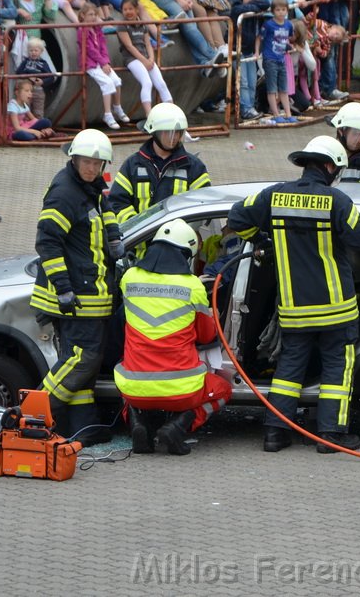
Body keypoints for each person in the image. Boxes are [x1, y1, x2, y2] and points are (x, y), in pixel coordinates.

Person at [227, 135, 360, 453]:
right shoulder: (338, 201)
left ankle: (276, 433)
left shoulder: (274, 196)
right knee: (337, 368)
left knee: (289, 368)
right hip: (336, 308)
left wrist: (263, 241)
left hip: (295, 308)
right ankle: (330, 435)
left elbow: (237, 218)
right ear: (330, 166)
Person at [31, 129, 121, 446]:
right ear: (74, 158)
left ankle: (84, 425)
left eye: (98, 163)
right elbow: (47, 242)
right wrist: (64, 288)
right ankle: (30, 416)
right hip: (76, 297)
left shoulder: (90, 188)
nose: (92, 168)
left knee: (83, 363)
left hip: (89, 296)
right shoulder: (64, 193)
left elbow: (103, 211)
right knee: (81, 360)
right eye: (86, 161)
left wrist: (115, 237)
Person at [115, 218, 232, 455]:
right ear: (185, 254)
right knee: (223, 389)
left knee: (126, 375)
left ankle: (137, 423)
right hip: (183, 390)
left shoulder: (129, 279)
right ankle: (178, 426)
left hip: (135, 389)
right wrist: (211, 315)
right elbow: (206, 334)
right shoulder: (192, 286)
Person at [109, 102, 211, 233]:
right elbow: (117, 203)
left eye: (178, 133)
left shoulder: (194, 167)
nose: (173, 138)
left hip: (176, 245)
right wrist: (136, 225)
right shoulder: (133, 165)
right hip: (139, 248)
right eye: (168, 133)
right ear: (154, 132)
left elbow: (203, 206)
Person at [78, 2, 129, 129]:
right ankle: (107, 114)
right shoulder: (82, 30)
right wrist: (102, 62)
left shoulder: (97, 30)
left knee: (117, 80)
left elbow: (103, 47)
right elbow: (90, 50)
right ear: (82, 16)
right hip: (90, 64)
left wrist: (106, 62)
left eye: (95, 14)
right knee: (107, 83)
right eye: (90, 14)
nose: (93, 17)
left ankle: (117, 107)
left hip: (101, 62)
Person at [117, 0, 172, 116]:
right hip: (132, 59)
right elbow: (130, 47)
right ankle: (149, 114)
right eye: (125, 9)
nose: (128, 12)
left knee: (161, 83)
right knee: (147, 82)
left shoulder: (143, 25)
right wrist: (144, 61)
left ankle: (172, 112)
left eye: (130, 9)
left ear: (137, 10)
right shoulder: (122, 26)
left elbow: (148, 44)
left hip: (146, 58)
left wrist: (151, 59)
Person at [258, 0, 296, 123]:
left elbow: (289, 38)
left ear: (287, 11)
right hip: (270, 59)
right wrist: (257, 52)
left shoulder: (288, 24)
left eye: (283, 10)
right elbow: (259, 38)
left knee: (284, 89)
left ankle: (288, 113)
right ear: (273, 11)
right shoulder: (269, 25)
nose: (281, 12)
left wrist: (290, 47)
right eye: (278, 10)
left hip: (282, 59)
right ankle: (275, 113)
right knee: (272, 89)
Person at [16, 37, 55, 118]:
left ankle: (38, 125)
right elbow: (18, 72)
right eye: (31, 50)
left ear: (41, 51)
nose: (33, 53)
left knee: (38, 109)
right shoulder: (25, 62)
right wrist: (28, 77)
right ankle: (26, 124)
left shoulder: (43, 63)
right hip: (26, 88)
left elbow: (51, 77)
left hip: (38, 89)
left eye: (36, 50)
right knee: (25, 108)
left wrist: (42, 82)